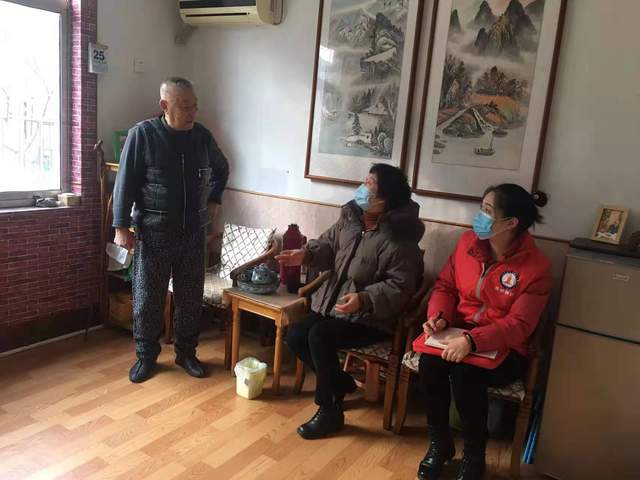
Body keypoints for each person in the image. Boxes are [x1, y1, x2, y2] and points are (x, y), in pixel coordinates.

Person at [277, 164, 425, 440]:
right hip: (334, 305)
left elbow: (401, 287)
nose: (362, 188)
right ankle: (341, 382)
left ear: (385, 199)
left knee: (319, 336)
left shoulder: (401, 239)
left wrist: (365, 299)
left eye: (370, 184)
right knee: (295, 334)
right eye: (365, 181)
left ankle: (329, 411)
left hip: (372, 317)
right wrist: (306, 255)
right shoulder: (351, 218)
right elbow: (327, 245)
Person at [416, 184, 551, 480]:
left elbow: (520, 324)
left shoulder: (536, 267)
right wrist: (439, 318)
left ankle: (474, 457)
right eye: (481, 207)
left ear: (510, 223)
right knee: (429, 365)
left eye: (488, 211)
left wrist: (473, 340)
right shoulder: (468, 243)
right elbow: (445, 287)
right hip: (457, 332)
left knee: (466, 375)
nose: (479, 216)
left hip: (506, 348)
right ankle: (440, 444)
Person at [112, 77, 229, 383]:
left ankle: (187, 353)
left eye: (195, 105)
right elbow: (124, 183)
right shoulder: (143, 135)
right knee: (148, 298)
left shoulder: (202, 137)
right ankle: (146, 356)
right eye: (185, 105)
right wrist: (121, 226)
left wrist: (215, 198)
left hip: (193, 233)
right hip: (154, 233)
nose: (192, 111)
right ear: (165, 105)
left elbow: (222, 168)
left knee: (190, 298)